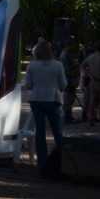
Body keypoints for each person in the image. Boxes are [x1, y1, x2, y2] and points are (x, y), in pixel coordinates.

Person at [23, 39, 67, 172]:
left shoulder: (32, 65)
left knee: (40, 130)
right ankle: (62, 159)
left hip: (36, 99)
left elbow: (28, 85)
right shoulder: (58, 65)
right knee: (57, 130)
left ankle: (42, 161)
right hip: (53, 98)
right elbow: (63, 85)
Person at [58, 37, 81, 123]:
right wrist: (75, 65)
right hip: (68, 78)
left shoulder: (68, 54)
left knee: (71, 98)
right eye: (72, 45)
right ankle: (67, 117)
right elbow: (65, 68)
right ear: (68, 45)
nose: (74, 47)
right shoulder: (65, 55)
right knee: (68, 98)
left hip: (71, 78)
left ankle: (69, 116)